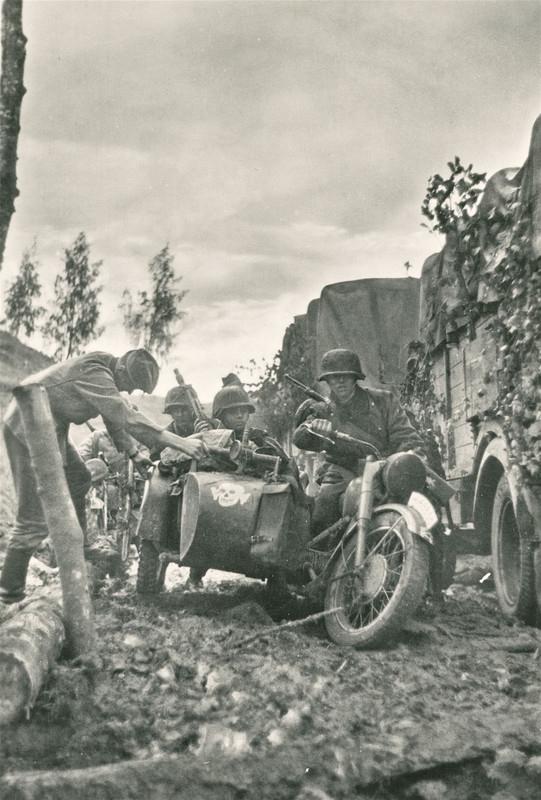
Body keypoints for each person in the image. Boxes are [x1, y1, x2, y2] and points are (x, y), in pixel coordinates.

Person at [0, 349, 207, 605]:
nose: (130, 392)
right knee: (32, 519)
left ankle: (82, 544)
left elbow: (112, 416)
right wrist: (180, 443)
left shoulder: (105, 372)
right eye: (131, 385)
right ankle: (9, 596)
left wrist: (133, 453)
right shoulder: (95, 371)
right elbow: (126, 416)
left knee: (79, 478)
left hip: (50, 426)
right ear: (122, 371)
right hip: (27, 423)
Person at [293, 348, 426, 535]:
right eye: (334, 376)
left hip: (386, 469)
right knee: (322, 506)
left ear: (355, 377)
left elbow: (405, 435)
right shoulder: (322, 409)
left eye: (346, 375)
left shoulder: (383, 401)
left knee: (425, 505)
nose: (340, 381)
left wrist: (408, 455)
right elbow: (300, 436)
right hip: (342, 473)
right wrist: (316, 430)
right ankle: (320, 559)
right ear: (327, 380)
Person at [149, 385, 197, 461]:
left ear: (193, 410)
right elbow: (155, 461)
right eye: (175, 410)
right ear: (170, 412)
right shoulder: (164, 436)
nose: (180, 414)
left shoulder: (207, 426)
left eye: (184, 410)